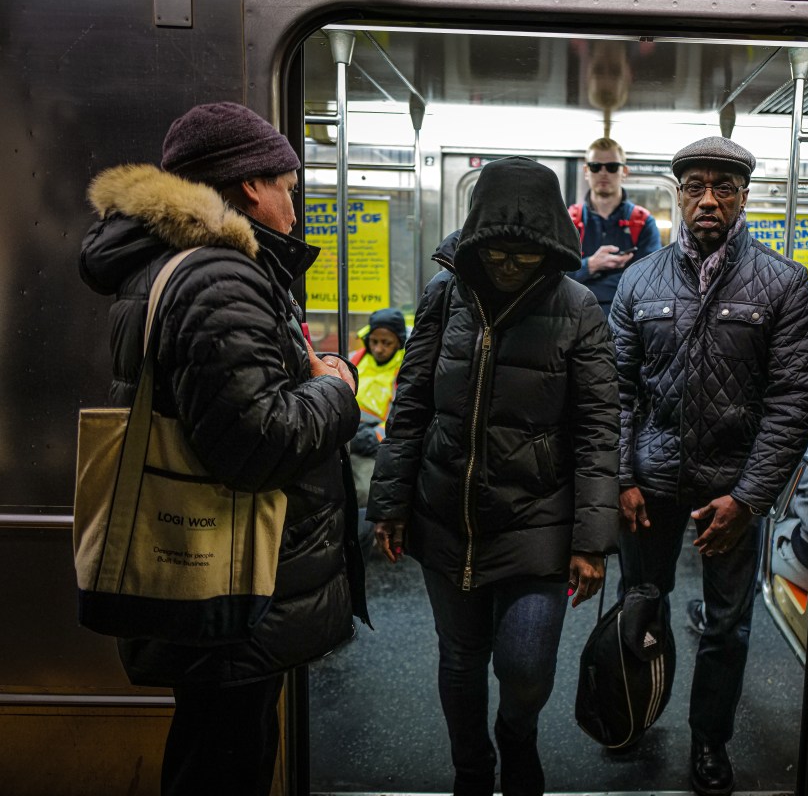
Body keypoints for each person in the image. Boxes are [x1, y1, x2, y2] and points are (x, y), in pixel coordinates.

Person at [78, 102, 370, 796]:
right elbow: (257, 444)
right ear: (249, 186)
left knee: (217, 744)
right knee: (225, 759)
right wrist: (337, 390)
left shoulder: (170, 265)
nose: (293, 209)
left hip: (208, 565)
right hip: (230, 572)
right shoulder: (219, 277)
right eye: (287, 189)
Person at [367, 156, 619, 796]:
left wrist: (592, 541)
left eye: (524, 255)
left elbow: (598, 431)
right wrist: (389, 503)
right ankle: (472, 770)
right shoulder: (444, 295)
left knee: (526, 667)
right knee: (460, 658)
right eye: (496, 253)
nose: (508, 266)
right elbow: (411, 404)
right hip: (446, 510)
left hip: (539, 518)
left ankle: (517, 734)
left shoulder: (577, 308)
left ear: (548, 248)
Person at [609, 136, 808, 796]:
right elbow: (615, 388)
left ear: (743, 197)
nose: (709, 199)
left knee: (726, 624)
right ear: (677, 196)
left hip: (732, 485)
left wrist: (751, 497)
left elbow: (794, 399)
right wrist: (622, 476)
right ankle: (632, 708)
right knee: (640, 602)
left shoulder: (784, 283)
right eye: (696, 187)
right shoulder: (639, 280)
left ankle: (709, 739)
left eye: (724, 188)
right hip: (650, 479)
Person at [570, 137, 662, 315]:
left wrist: (582, 278)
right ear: (586, 171)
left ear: (624, 171)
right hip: (578, 317)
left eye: (612, 167)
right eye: (596, 166)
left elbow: (650, 280)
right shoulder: (571, 220)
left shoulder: (642, 222)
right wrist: (590, 265)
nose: (603, 173)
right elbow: (555, 275)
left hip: (626, 318)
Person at [348, 307, 408, 501]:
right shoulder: (354, 359)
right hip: (348, 435)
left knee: (365, 492)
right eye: (374, 341)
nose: (378, 349)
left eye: (386, 343)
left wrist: (374, 437)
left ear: (399, 342)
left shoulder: (406, 369)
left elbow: (403, 415)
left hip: (378, 444)